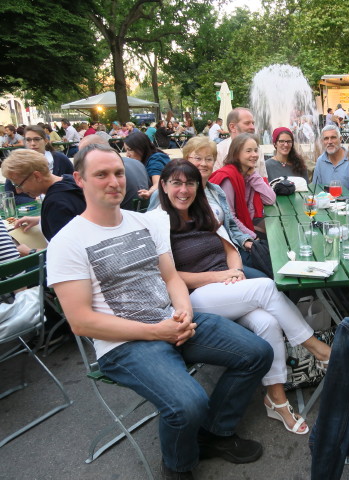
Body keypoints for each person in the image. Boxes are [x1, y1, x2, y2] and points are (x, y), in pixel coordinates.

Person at [47, 143, 272, 479]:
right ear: (79, 179)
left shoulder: (147, 221)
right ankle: (178, 466)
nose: (114, 181)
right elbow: (81, 322)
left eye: (119, 172)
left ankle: (212, 433)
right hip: (124, 345)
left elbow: (171, 277)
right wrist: (157, 331)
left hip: (172, 321)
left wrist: (182, 313)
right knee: (188, 403)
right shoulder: (67, 242)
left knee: (257, 352)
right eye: (102, 174)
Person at [157, 159, 330, 435]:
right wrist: (220, 277)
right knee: (264, 286)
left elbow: (230, 248)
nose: (184, 189)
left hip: (227, 288)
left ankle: (277, 400)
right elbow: (168, 277)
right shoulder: (158, 223)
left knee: (267, 323)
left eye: (189, 183)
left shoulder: (203, 211)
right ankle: (319, 350)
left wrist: (235, 270)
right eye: (176, 183)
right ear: (163, 186)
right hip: (193, 298)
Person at [147, 136, 267, 278]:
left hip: (229, 249)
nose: (203, 164)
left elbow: (230, 224)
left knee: (270, 263)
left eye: (209, 159)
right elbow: (149, 231)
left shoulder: (216, 191)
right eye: (197, 158)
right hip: (196, 263)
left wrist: (246, 241)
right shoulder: (168, 194)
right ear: (186, 160)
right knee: (264, 276)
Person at [1, 149, 85, 241]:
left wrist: (30, 252)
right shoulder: (71, 181)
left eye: (18, 185)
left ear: (37, 176)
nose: (18, 191)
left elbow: (66, 250)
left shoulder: (56, 204)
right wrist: (41, 220)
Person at [209, 133, 276, 239]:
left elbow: (270, 199)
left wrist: (253, 176)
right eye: (248, 151)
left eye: (255, 150)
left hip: (247, 223)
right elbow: (230, 218)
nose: (254, 154)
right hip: (229, 234)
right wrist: (253, 237)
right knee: (272, 242)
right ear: (236, 154)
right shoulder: (229, 179)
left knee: (278, 230)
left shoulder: (248, 174)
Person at [4, 125, 74, 205]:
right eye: (28, 140)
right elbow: (9, 196)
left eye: (37, 139)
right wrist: (34, 200)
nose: (33, 143)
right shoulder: (17, 163)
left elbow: (74, 183)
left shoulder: (60, 159)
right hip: (30, 210)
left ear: (46, 141)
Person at [79, 134, 150, 211]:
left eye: (83, 153)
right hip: (142, 213)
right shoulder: (136, 163)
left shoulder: (103, 170)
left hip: (120, 216)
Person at [213, 108, 266, 177]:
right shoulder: (219, 151)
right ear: (232, 127)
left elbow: (264, 181)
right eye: (247, 123)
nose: (252, 127)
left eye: (253, 123)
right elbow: (215, 183)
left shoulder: (258, 150)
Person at [123, 131, 171, 199]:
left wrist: (150, 192)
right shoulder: (145, 159)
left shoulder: (155, 159)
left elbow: (158, 183)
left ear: (141, 147)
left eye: (130, 150)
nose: (127, 155)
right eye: (126, 150)